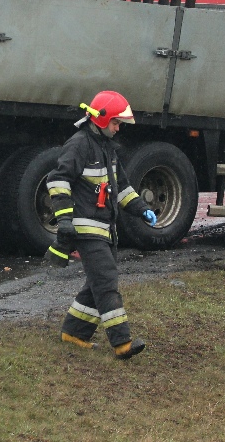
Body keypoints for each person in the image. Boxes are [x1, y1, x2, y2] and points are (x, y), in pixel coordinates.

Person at [46, 90, 158, 360]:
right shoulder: (79, 145)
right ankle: (122, 343)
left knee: (97, 282)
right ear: (102, 118)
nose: (119, 128)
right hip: (86, 230)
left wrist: (142, 209)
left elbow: (120, 189)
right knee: (106, 282)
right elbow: (57, 181)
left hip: (104, 229)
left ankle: (74, 333)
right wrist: (64, 220)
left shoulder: (107, 148)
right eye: (117, 123)